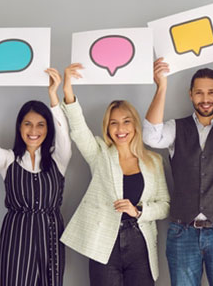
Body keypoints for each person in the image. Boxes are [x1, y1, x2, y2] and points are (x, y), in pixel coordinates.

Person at [143, 46, 213, 286]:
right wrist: (161, 86)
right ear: (191, 95)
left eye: (211, 92)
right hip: (182, 232)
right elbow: (150, 136)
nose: (205, 99)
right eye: (199, 93)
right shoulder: (175, 128)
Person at [59, 63, 170, 285]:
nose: (121, 129)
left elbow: (165, 205)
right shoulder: (99, 154)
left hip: (140, 242)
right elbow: (79, 131)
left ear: (135, 125)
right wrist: (68, 90)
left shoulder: (154, 161)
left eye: (126, 122)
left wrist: (137, 211)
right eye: (114, 123)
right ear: (107, 128)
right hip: (105, 241)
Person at [0, 68, 71, 285]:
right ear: (19, 126)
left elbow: (64, 133)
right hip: (17, 236)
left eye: (41, 124)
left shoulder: (59, 158)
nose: (33, 130)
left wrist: (54, 96)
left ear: (48, 129)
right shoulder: (7, 160)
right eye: (27, 123)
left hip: (51, 235)